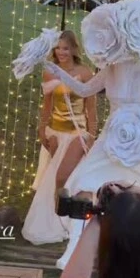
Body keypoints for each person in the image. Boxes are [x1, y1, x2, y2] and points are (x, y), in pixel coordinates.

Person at [43, 57, 140, 268]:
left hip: (139, 143)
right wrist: (61, 74)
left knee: (130, 196)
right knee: (85, 184)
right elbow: (85, 90)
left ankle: (123, 252)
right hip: (110, 139)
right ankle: (74, 245)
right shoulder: (109, 71)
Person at [22, 31, 97, 245]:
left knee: (62, 177)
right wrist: (42, 128)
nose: (61, 52)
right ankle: (55, 221)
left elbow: (91, 108)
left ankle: (65, 218)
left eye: (65, 48)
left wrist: (92, 135)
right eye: (57, 48)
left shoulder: (85, 72)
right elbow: (47, 105)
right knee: (52, 175)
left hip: (77, 133)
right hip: (55, 131)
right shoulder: (49, 72)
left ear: (73, 49)